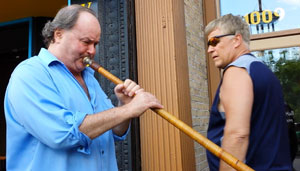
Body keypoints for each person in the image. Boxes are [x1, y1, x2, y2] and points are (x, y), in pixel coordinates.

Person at [4, 5, 163, 171]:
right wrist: (129, 110)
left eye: (96, 44)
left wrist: (123, 105)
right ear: (58, 35)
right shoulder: (30, 73)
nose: (92, 51)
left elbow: (114, 131)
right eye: (86, 42)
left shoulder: (89, 78)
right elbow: (62, 134)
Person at [205, 14, 292, 171]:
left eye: (214, 41)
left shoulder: (236, 71)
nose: (210, 49)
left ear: (236, 40)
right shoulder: (265, 73)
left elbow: (237, 135)